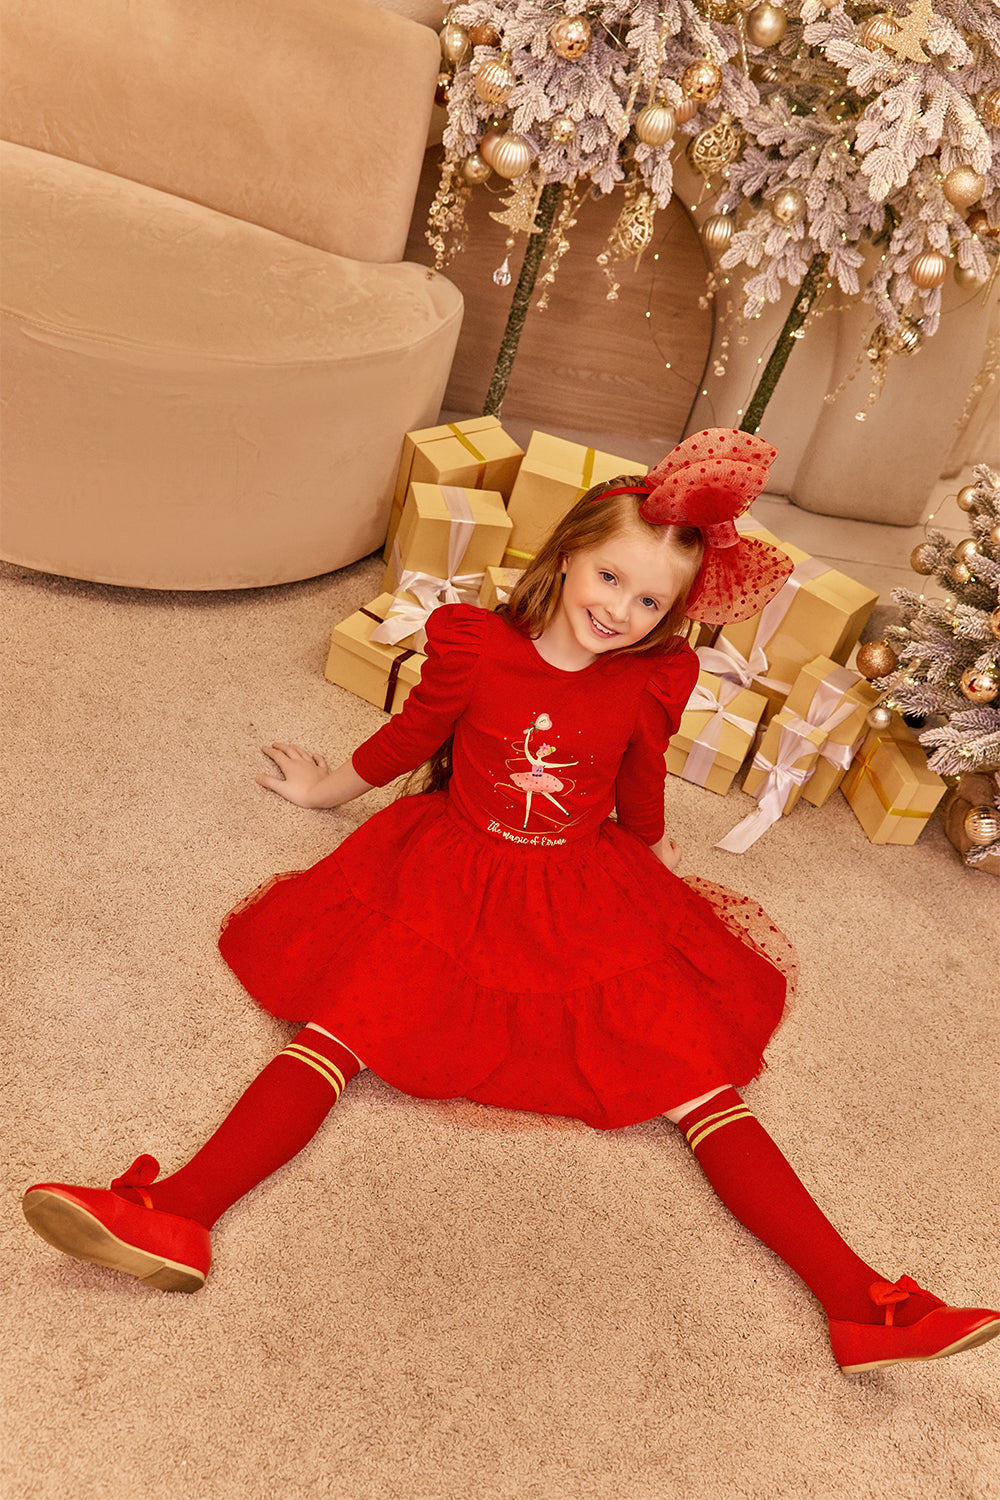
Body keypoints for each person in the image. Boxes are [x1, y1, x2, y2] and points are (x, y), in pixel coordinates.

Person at [23, 429, 998, 1376]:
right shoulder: (476, 649)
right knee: (340, 1024)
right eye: (609, 578)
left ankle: (859, 1300)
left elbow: (641, 785)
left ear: (672, 616)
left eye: (649, 599)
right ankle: (181, 1213)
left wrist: (646, 880)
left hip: (581, 876)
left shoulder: (651, 679)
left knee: (694, 1074)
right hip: (449, 867)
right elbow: (413, 737)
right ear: (568, 557)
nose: (619, 609)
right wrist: (327, 789)